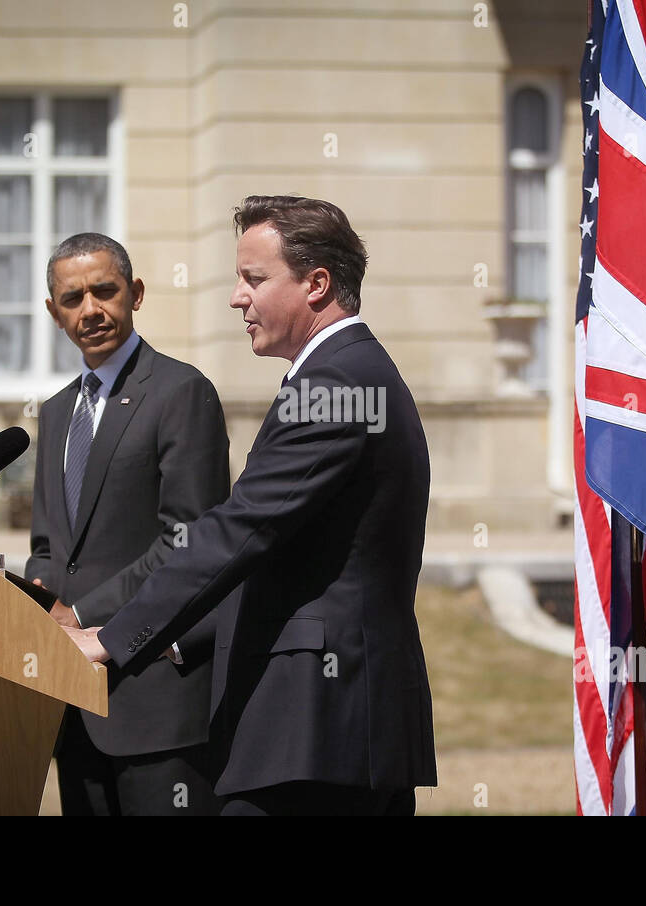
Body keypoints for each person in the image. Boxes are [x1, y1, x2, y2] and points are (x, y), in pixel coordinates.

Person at [64, 196, 437, 815]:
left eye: (254, 279)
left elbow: (239, 529)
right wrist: (172, 640)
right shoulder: (347, 374)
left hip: (320, 727)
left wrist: (112, 639)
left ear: (316, 284)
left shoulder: (336, 386)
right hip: (332, 729)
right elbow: (281, 554)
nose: (237, 297)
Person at [26, 232, 230, 816]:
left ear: (135, 293)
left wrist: (82, 612)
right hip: (72, 702)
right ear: (53, 313)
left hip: (157, 702)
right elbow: (48, 545)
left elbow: (187, 539)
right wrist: (37, 603)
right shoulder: (57, 411)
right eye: (72, 299)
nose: (90, 310)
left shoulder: (181, 392)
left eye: (104, 291)